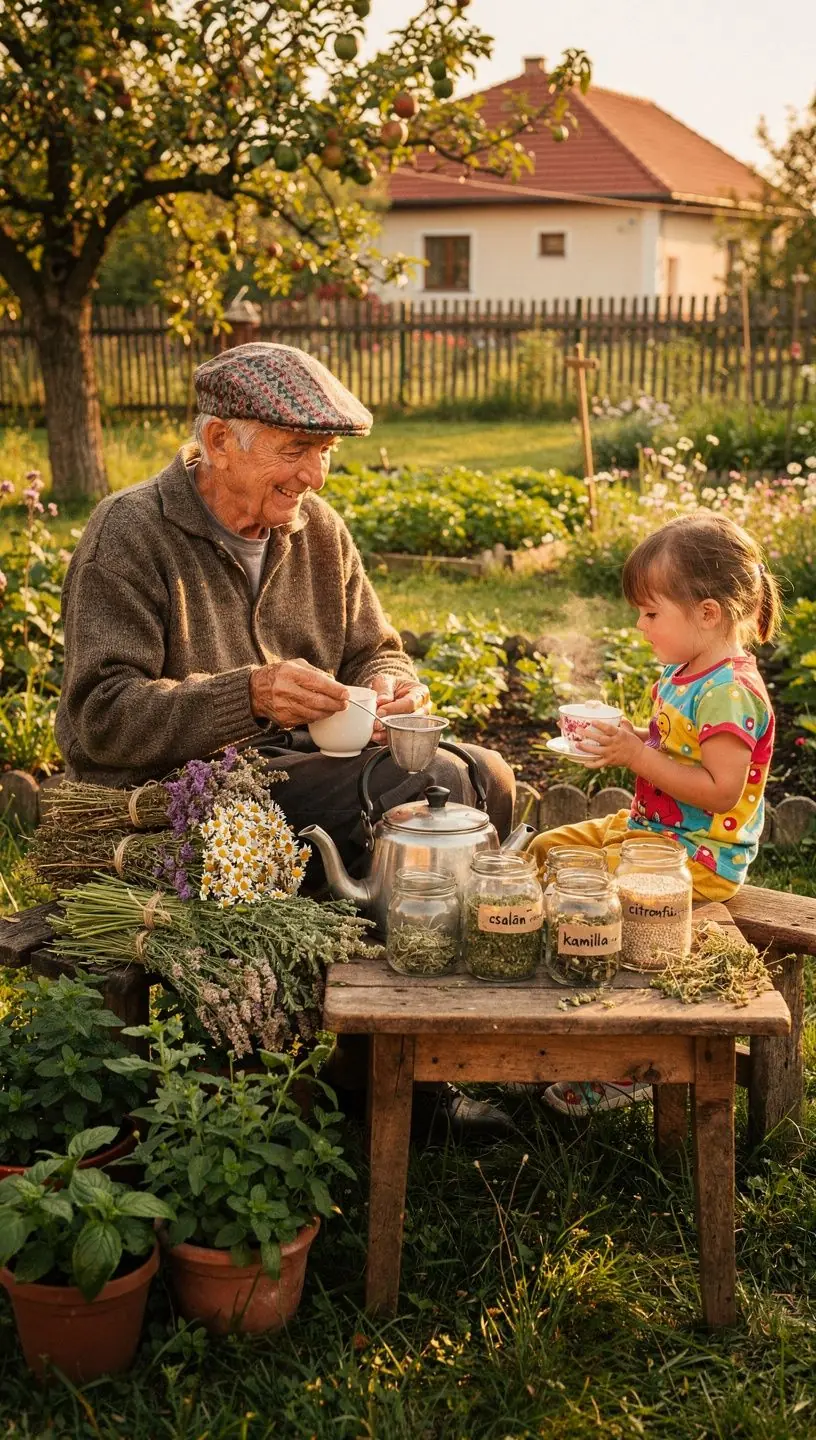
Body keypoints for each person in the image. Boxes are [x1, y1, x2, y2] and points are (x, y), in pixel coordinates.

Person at [56, 340, 516, 1138]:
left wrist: (393, 684)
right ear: (218, 440)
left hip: (299, 774)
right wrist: (246, 695)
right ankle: (392, 1086)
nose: (314, 475)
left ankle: (408, 1053)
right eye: (296, 450)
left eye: (324, 453)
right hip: (178, 801)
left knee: (489, 778)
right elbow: (99, 715)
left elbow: (375, 647)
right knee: (420, 793)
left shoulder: (317, 530)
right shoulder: (129, 531)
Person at [528, 510, 781, 1116]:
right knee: (545, 851)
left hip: (697, 856)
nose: (640, 626)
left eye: (650, 613)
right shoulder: (686, 671)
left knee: (598, 901)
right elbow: (679, 748)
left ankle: (627, 1063)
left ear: (708, 613)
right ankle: (544, 1017)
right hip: (651, 833)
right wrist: (633, 738)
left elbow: (721, 791)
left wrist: (637, 756)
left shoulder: (730, 693)